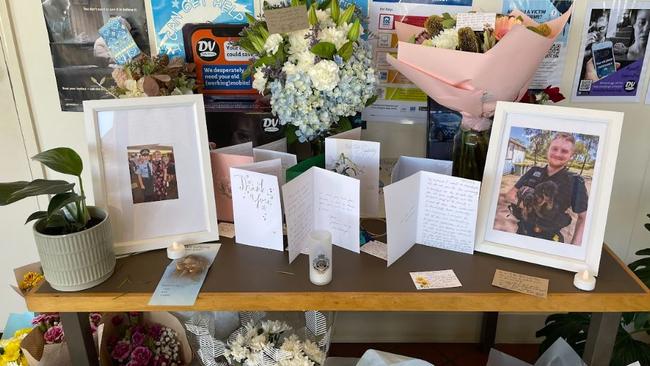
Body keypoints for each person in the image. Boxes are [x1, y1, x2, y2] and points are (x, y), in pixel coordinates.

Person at [506, 133, 589, 245]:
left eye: (564, 151)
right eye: (554, 148)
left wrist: (574, 249)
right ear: (548, 150)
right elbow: (510, 195)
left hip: (550, 240)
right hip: (522, 233)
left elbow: (583, 218)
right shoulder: (533, 171)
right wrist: (535, 208)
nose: (558, 154)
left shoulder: (575, 182)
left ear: (571, 155)